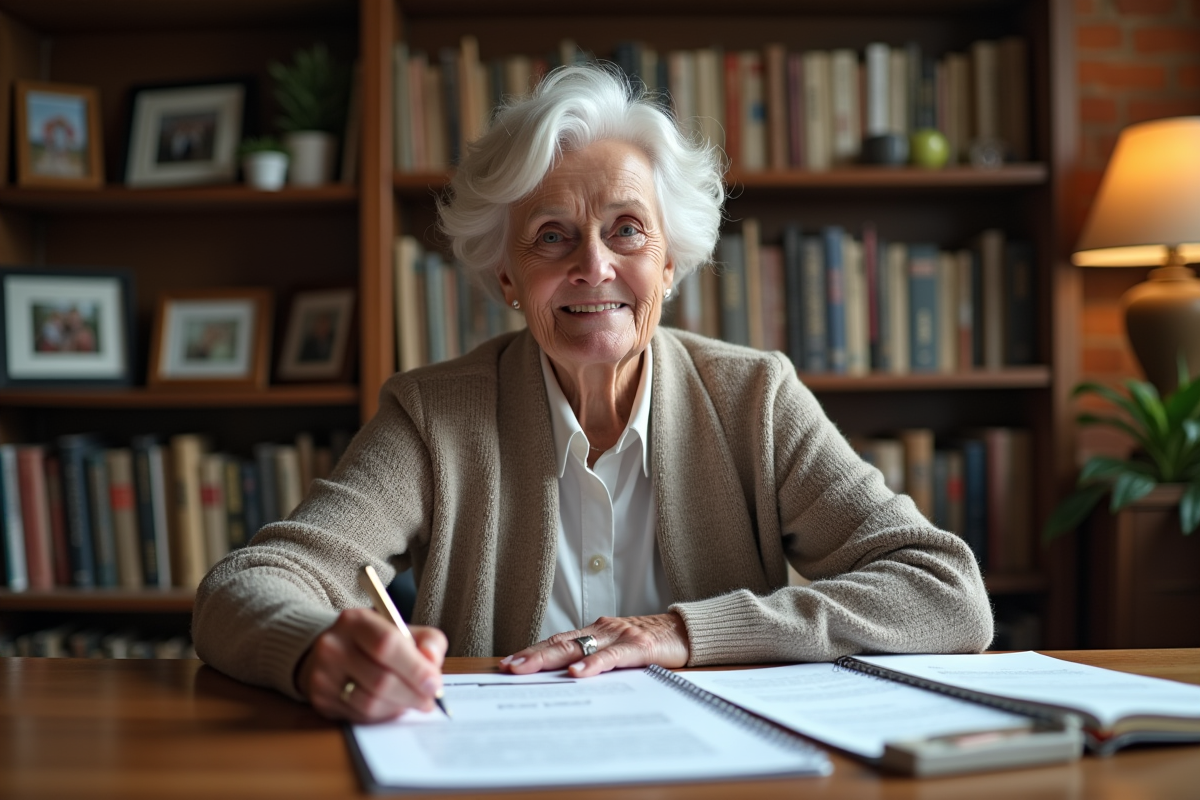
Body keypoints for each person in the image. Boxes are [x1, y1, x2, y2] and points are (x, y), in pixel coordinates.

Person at [192, 64, 992, 723]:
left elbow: (946, 592)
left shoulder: (755, 399)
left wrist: (682, 632)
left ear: (669, 263)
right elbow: (245, 586)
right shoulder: (435, 416)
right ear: (507, 277)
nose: (594, 266)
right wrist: (315, 650)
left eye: (627, 229)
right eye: (552, 236)